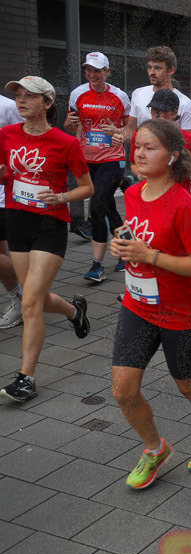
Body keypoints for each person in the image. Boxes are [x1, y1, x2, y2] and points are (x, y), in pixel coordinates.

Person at [108, 119, 191, 488]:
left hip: (182, 312)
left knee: (189, 386)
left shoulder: (184, 205)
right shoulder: (131, 194)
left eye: (150, 148)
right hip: (138, 305)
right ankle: (154, 448)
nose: (139, 153)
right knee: (122, 390)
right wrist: (124, 249)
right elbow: (139, 243)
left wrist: (151, 255)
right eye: (137, 146)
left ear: (172, 156)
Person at [0, 77, 93, 402]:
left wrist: (62, 197)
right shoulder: (6, 135)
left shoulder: (65, 142)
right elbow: (3, 173)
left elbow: (87, 188)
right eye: (18, 96)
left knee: (29, 303)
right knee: (33, 298)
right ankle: (73, 310)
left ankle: (26, 378)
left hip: (50, 224)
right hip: (17, 221)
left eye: (29, 96)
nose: (21, 101)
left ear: (47, 103)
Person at [66, 52, 132, 284]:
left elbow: (129, 129)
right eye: (89, 70)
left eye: (97, 70)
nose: (93, 75)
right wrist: (70, 123)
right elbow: (69, 123)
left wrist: (118, 134)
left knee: (96, 205)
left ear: (107, 72)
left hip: (112, 158)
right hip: (87, 158)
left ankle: (97, 266)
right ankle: (128, 249)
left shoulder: (120, 96)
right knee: (109, 208)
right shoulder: (78, 94)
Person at [128, 89, 191, 192]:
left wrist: (180, 170)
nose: (157, 114)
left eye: (163, 110)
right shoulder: (139, 134)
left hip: (179, 196)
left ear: (174, 113)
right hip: (149, 194)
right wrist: (141, 175)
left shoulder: (189, 138)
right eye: (154, 109)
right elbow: (133, 163)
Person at [125, 46, 191, 138]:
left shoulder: (185, 103)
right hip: (141, 151)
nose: (152, 72)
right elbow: (131, 130)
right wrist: (119, 135)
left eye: (157, 68)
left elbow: (190, 141)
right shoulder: (138, 93)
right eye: (149, 67)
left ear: (171, 70)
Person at [0, 92, 24, 330]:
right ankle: (20, 300)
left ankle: (30, 292)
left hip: (3, 196)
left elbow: (24, 145)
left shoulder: (7, 106)